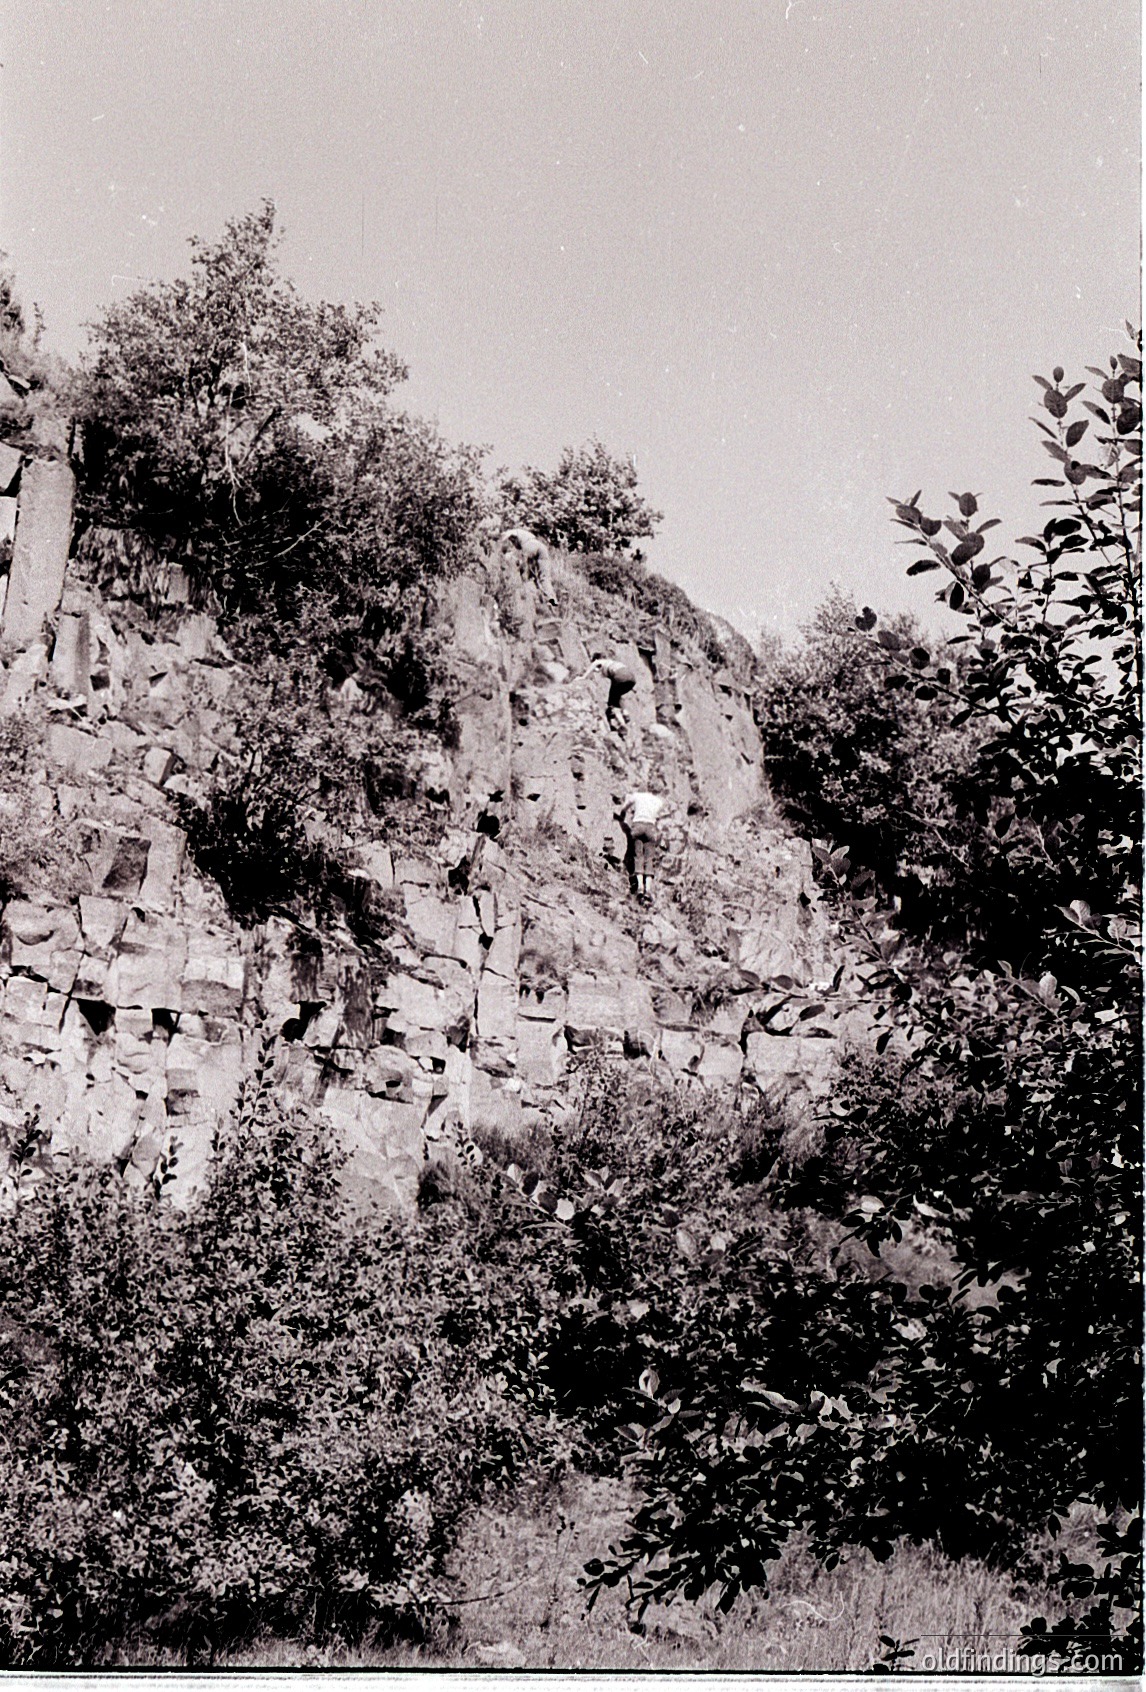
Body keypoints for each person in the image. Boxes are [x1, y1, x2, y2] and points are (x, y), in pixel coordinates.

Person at [618, 787, 670, 900]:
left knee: (638, 856)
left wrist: (622, 814)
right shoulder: (657, 800)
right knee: (649, 859)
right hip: (650, 828)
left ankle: (640, 887)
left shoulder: (637, 795)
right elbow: (663, 813)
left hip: (637, 826)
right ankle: (648, 889)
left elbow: (626, 805)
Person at [591, 655, 637, 733]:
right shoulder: (613, 663)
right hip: (631, 678)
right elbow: (623, 675)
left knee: (612, 702)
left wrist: (582, 677)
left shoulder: (600, 663)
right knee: (618, 696)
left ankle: (621, 723)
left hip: (620, 677)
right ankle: (625, 712)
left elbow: (594, 666)